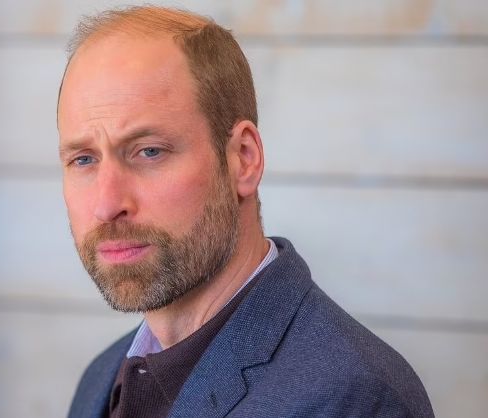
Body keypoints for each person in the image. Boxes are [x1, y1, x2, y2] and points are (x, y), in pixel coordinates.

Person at [57, 6, 433, 418]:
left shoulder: (354, 397)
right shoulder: (100, 378)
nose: (107, 205)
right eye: (83, 159)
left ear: (243, 159)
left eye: (149, 151)